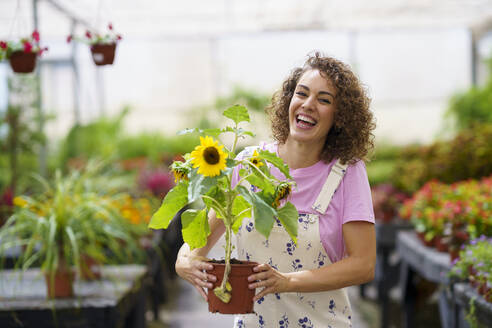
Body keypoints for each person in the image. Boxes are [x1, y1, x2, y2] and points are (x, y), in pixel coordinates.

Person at [175, 52, 376, 327]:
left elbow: (363, 264)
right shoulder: (250, 164)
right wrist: (183, 260)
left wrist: (287, 281)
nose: (308, 105)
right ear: (289, 100)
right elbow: (199, 242)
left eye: (324, 100)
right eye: (301, 94)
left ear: (340, 117)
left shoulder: (346, 172)